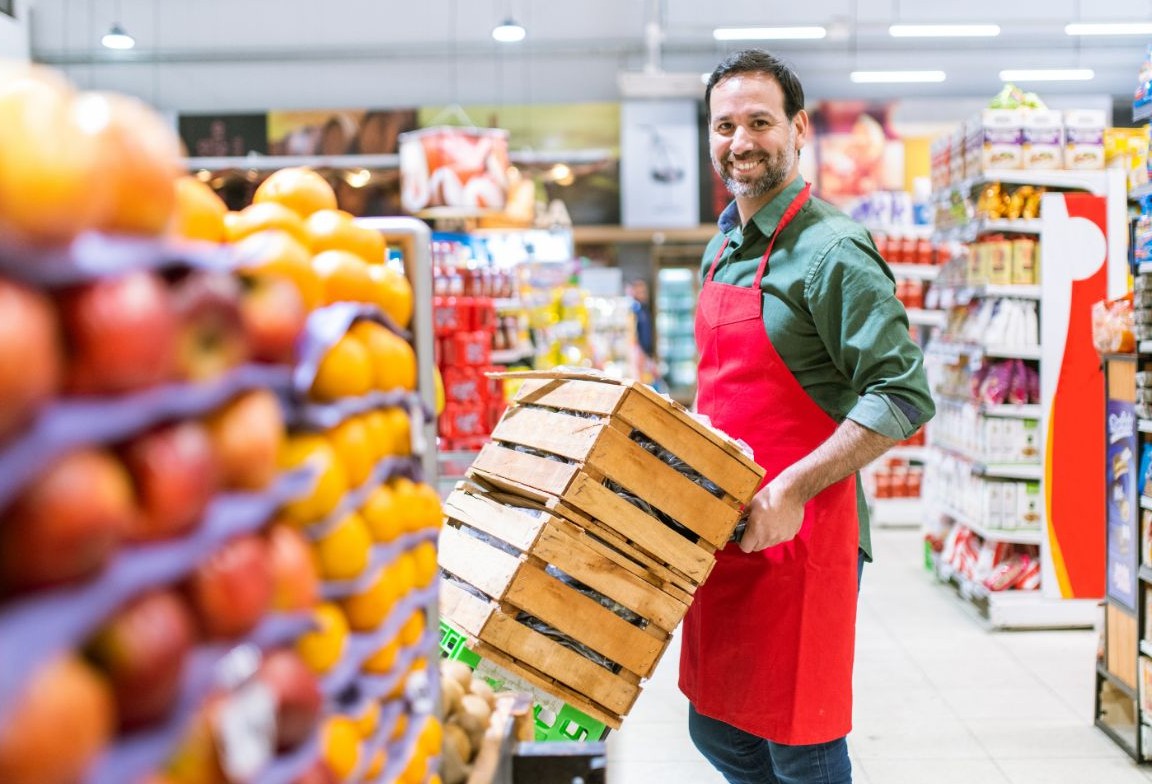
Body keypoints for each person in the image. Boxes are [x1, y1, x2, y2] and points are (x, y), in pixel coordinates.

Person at [680, 49, 935, 784]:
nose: (740, 140)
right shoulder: (723, 245)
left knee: (800, 738)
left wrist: (789, 490)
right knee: (716, 724)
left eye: (759, 121)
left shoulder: (832, 249)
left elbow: (902, 392)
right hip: (726, 527)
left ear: (797, 130)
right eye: (724, 125)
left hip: (803, 531)